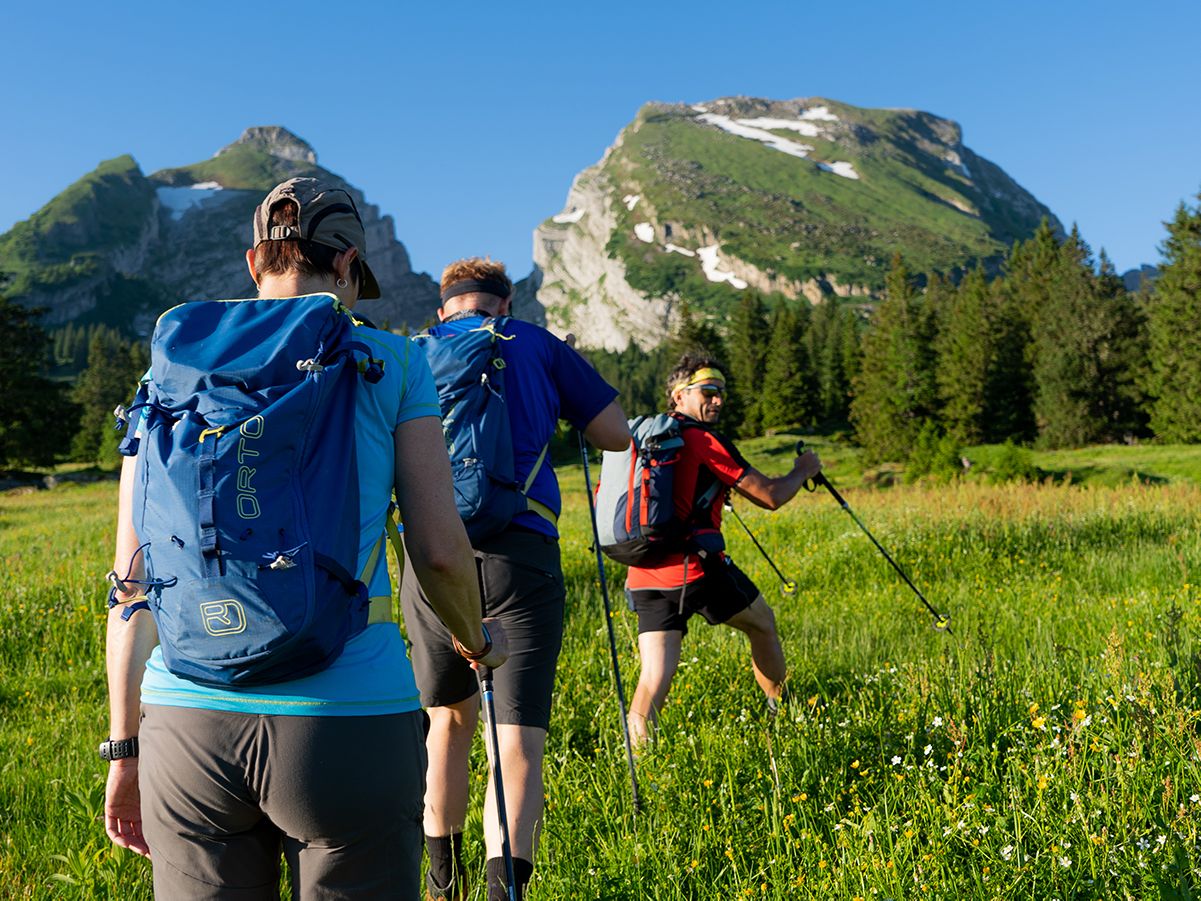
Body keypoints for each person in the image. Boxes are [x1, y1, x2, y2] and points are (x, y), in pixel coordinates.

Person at [102, 177, 507, 900]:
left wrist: (124, 749)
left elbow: (131, 580)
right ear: (349, 264)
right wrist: (475, 640)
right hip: (345, 719)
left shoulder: (168, 374)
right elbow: (440, 549)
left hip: (186, 718)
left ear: (254, 262)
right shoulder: (392, 361)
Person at [401, 258, 629, 901]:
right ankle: (505, 894)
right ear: (504, 303)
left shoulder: (414, 354)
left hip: (431, 558)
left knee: (446, 720)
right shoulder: (535, 342)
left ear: (444, 307)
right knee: (517, 737)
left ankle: (442, 883)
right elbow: (615, 435)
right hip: (521, 554)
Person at [624, 352, 823, 746]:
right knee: (762, 623)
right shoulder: (701, 438)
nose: (717, 401)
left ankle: (638, 759)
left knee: (654, 675)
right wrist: (803, 469)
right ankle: (782, 717)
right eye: (709, 391)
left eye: (722, 394)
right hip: (693, 569)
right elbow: (770, 496)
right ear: (679, 395)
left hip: (643, 569)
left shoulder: (642, 437)